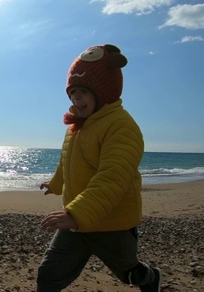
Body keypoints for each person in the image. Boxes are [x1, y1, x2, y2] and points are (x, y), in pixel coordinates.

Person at [37, 44, 161, 292]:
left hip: (112, 224)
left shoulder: (121, 126)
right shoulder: (76, 127)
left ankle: (151, 277)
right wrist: (55, 184)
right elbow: (67, 161)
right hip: (76, 223)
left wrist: (76, 214)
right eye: (73, 92)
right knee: (48, 275)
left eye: (83, 91)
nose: (76, 98)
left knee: (130, 274)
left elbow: (113, 177)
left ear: (104, 91)